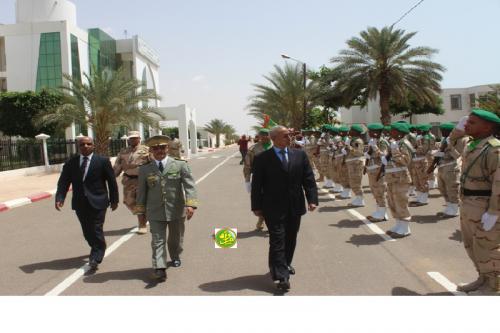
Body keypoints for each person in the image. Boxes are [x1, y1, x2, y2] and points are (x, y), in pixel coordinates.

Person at [251, 126, 318, 291]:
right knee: (277, 240)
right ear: (274, 139)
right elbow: (257, 185)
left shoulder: (299, 155)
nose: (289, 138)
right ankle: (281, 276)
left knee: (291, 238)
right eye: (285, 136)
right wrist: (256, 206)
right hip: (272, 207)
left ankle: (285, 264)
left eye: (290, 136)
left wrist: (312, 199)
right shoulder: (262, 158)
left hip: (295, 205)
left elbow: (308, 179)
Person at [135, 135, 198, 282]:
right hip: (155, 211)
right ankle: (160, 267)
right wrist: (140, 212)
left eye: (162, 147)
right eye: (155, 148)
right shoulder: (145, 169)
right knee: (158, 240)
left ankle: (175, 255)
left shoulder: (180, 164)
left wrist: (191, 204)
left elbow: (189, 185)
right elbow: (142, 192)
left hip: (176, 209)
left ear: (167, 148)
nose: (159, 151)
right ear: (151, 150)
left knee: (175, 238)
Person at [55, 136, 119, 271]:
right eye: (82, 144)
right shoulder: (71, 163)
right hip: (80, 203)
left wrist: (114, 200)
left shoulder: (102, 161)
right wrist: (60, 198)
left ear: (93, 146)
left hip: (99, 200)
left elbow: (112, 182)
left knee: (96, 228)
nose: (85, 146)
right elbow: (64, 182)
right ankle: (97, 246)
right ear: (78, 146)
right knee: (87, 230)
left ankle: (96, 256)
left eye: (88, 144)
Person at [455, 109, 500, 294]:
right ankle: (482, 278)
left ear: (487, 126)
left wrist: (494, 212)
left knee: (488, 247)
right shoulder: (472, 145)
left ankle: (494, 286)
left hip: (485, 205)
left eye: (472, 122)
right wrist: (458, 128)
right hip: (468, 202)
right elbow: (453, 141)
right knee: (471, 245)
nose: (466, 125)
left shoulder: (494, 149)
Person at [113, 131, 151, 234]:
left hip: (142, 180)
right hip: (128, 180)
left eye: (135, 138)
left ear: (139, 138)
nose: (133, 140)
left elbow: (154, 165)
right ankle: (145, 215)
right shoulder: (123, 151)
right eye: (131, 138)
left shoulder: (147, 150)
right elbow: (117, 166)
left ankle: (142, 224)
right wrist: (111, 176)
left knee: (140, 202)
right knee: (128, 202)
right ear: (128, 139)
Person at [381, 123, 414, 238]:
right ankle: (398, 225)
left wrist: (394, 150)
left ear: (399, 132)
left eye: (393, 130)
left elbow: (406, 161)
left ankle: (405, 228)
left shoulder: (405, 144)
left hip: (401, 178)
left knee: (400, 201)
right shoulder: (395, 143)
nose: (390, 132)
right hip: (392, 177)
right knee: (392, 202)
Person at [432, 123, 467, 217]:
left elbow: (458, 156)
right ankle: (449, 206)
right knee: (442, 187)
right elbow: (440, 152)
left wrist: (450, 145)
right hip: (442, 166)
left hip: (452, 167)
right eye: (441, 131)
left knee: (452, 189)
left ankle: (454, 210)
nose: (442, 133)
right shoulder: (444, 139)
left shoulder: (461, 140)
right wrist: (433, 164)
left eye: (444, 131)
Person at [243, 128, 273, 230]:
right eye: (262, 135)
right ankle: (261, 218)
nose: (264, 137)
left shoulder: (277, 146)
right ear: (259, 137)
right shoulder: (253, 149)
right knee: (260, 201)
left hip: (276, 178)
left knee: (274, 201)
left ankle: (271, 222)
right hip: (259, 179)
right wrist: (247, 180)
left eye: (266, 135)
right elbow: (247, 165)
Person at [365, 123, 390, 222]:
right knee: (375, 191)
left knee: (380, 191)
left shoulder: (382, 142)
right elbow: (369, 154)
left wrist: (375, 148)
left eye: (371, 131)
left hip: (379, 169)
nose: (369, 133)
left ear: (377, 132)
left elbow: (384, 156)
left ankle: (382, 214)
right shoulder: (373, 141)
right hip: (372, 169)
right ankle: (379, 212)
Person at [345, 124, 366, 207]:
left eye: (351, 130)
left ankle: (360, 199)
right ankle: (358, 198)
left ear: (355, 132)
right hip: (352, 164)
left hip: (356, 164)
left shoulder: (358, 141)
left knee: (356, 182)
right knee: (353, 182)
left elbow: (359, 153)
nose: (349, 131)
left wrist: (349, 147)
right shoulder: (352, 140)